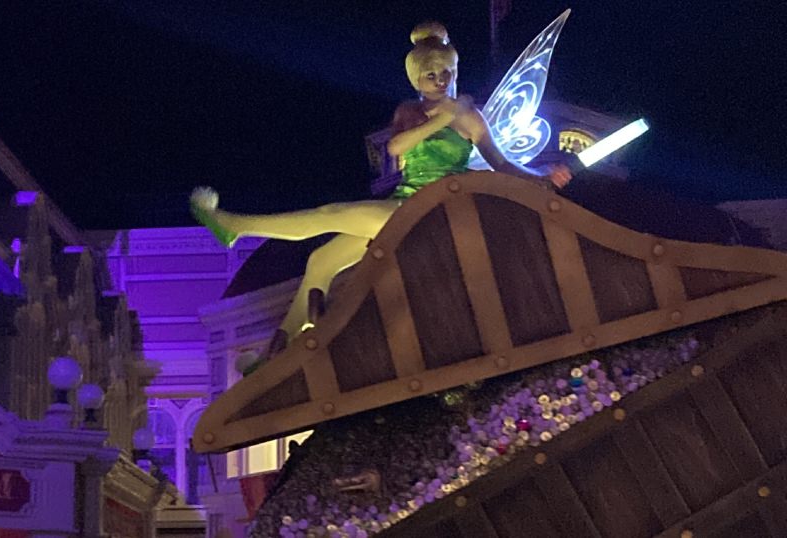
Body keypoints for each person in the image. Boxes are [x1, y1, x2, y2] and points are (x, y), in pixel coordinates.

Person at [191, 22, 572, 368]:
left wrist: (541, 179)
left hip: (432, 209)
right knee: (323, 259)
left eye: (446, 73)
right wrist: (442, 118)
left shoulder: (472, 119)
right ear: (416, 81)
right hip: (404, 203)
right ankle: (279, 354)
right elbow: (397, 147)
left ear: (455, 71)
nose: (440, 80)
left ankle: (237, 226)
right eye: (430, 75)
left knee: (329, 212)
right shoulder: (410, 111)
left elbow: (501, 164)